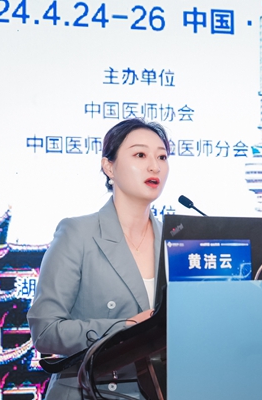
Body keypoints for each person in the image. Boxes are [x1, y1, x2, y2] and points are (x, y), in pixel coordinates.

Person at [27, 118, 170, 400]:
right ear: (109, 167)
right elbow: (45, 330)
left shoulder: (174, 241)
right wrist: (124, 330)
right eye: (140, 155)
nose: (155, 166)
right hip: (90, 391)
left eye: (162, 157)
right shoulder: (77, 233)